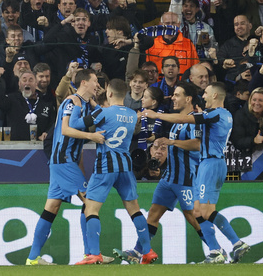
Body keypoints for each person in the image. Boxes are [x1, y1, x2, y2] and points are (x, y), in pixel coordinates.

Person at [140, 82, 250, 264]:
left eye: (206, 93)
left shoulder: (215, 114)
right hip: (211, 163)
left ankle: (235, 242)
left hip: (210, 163)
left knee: (205, 212)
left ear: (215, 96)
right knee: (198, 211)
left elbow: (184, 120)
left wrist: (156, 114)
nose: (204, 96)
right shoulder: (226, 115)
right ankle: (219, 250)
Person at [68, 78, 157, 265]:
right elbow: (110, 116)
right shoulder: (133, 115)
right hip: (125, 165)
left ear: (108, 93)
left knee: (90, 209)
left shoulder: (104, 113)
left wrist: (77, 105)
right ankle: (147, 251)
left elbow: (75, 124)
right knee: (134, 210)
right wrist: (94, 103)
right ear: (125, 93)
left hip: (106, 165)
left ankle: (94, 254)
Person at [115, 82, 205, 264]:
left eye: (177, 95)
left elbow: (198, 144)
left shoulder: (195, 119)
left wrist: (172, 143)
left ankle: (216, 250)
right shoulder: (176, 121)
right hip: (169, 178)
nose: (173, 98)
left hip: (185, 178)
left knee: (194, 217)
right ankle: (139, 252)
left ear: (188, 99)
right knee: (153, 215)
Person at [25, 69, 106, 265]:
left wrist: (94, 102)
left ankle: (32, 259)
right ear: (84, 82)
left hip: (65, 162)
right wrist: (91, 136)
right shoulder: (71, 102)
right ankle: (91, 254)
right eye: (95, 81)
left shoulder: (84, 104)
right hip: (63, 161)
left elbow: (103, 117)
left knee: (51, 207)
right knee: (90, 202)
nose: (98, 84)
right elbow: (66, 129)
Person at [231, 87, 263, 154]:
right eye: (254, 100)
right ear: (250, 101)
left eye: (260, 100)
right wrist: (253, 140)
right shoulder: (240, 115)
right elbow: (237, 141)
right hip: (244, 155)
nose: (257, 103)